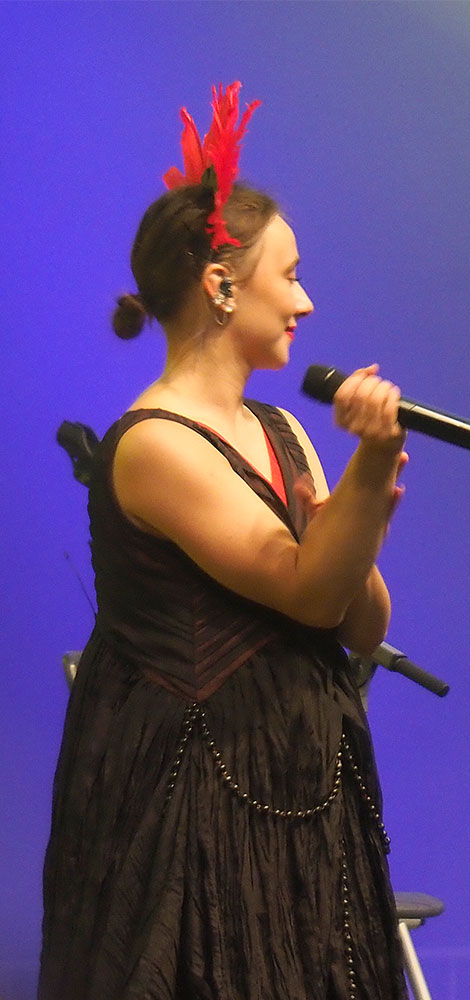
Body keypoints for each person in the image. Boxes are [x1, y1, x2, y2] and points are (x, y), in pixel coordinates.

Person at [40, 83, 409, 999]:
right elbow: (308, 593)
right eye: (290, 276)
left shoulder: (283, 432)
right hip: (195, 811)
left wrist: (352, 507)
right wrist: (371, 470)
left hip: (298, 794)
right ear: (220, 283)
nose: (308, 302)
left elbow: (361, 621)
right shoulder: (157, 445)